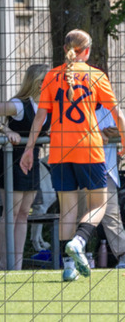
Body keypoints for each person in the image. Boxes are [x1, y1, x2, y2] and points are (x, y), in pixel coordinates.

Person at [19, 29, 125, 281]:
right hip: (89, 149)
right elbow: (118, 114)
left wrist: (29, 148)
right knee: (99, 205)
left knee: (67, 210)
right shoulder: (96, 76)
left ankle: (68, 268)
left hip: (59, 151)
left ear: (65, 49)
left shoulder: (52, 76)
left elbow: (40, 118)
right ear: (86, 51)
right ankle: (79, 241)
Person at [0, 64, 51, 270]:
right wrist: (6, 131)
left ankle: (17, 265)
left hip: (32, 160)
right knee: (11, 213)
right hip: (12, 160)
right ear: (38, 82)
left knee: (23, 213)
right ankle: (5, 263)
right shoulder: (19, 105)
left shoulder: (47, 105)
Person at [91, 102, 125, 269]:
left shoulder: (111, 109)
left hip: (106, 171)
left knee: (111, 215)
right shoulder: (78, 107)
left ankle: (123, 255)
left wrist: (119, 133)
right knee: (77, 215)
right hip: (80, 169)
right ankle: (72, 259)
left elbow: (121, 126)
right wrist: (97, 135)